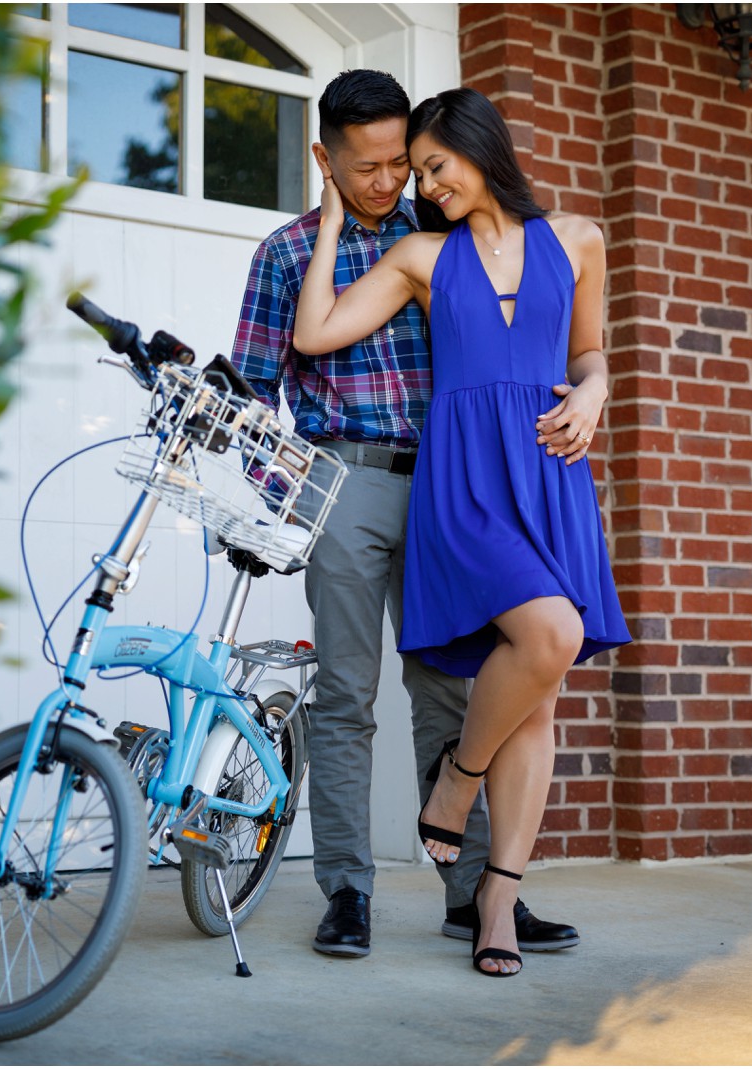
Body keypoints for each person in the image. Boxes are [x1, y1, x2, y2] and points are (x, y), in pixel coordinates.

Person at [230, 70, 582, 964]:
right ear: (325, 159)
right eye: (371, 166)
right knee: (347, 696)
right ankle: (347, 890)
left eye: (404, 163)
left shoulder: (447, 230)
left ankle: (476, 896)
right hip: (346, 485)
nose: (393, 183)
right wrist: (286, 508)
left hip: (451, 494)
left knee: (454, 691)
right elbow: (254, 391)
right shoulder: (285, 252)